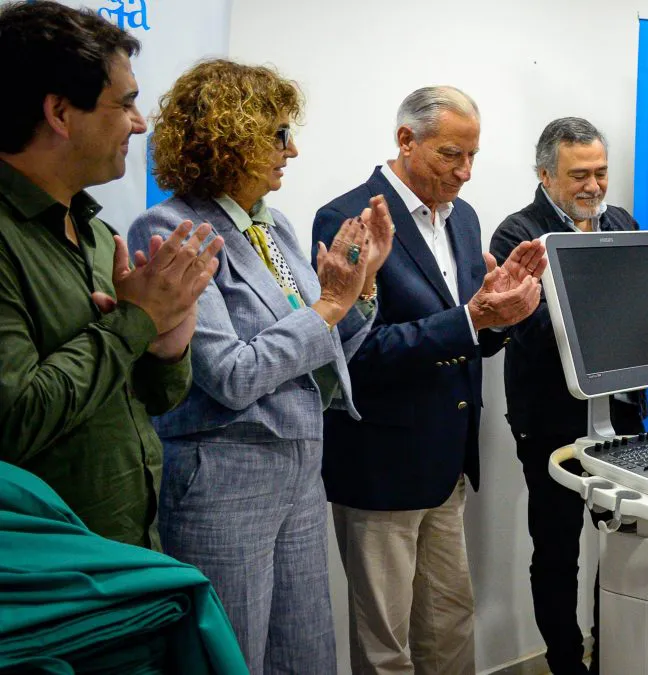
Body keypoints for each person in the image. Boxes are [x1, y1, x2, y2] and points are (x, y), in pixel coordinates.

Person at [127, 59, 389, 674]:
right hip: (225, 478)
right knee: (232, 656)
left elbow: (321, 348)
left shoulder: (275, 227)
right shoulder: (170, 227)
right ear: (229, 135)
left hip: (298, 467)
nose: (291, 150)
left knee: (306, 653)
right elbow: (233, 375)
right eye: (277, 135)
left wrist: (362, 290)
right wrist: (329, 303)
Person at [316, 86, 546, 675]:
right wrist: (473, 318)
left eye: (473, 156)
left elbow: (471, 335)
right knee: (384, 640)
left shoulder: (464, 218)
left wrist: (503, 316)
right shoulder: (350, 218)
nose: (465, 172)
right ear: (405, 141)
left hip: (448, 462)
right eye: (451, 155)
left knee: (450, 622)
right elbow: (357, 353)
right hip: (381, 462)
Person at [0, 0, 221, 549]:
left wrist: (165, 345)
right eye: (125, 104)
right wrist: (134, 321)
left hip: (124, 552)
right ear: (59, 112)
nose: (141, 123)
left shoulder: (97, 232)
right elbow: (14, 421)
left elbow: (149, 399)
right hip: (44, 578)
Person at [489, 116, 648, 675]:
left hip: (624, 414)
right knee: (557, 553)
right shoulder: (517, 235)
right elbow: (525, 328)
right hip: (552, 421)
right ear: (545, 175)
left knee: (627, 545)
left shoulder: (624, 223)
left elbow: (638, 314)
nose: (594, 186)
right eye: (579, 174)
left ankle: (616, 655)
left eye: (601, 172)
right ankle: (566, 665)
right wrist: (614, 318)